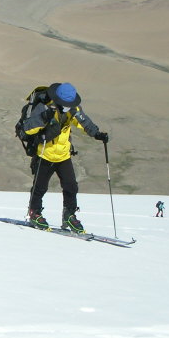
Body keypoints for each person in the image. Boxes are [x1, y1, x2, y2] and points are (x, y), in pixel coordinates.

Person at [22, 82, 108, 233]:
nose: (68, 107)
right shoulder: (43, 107)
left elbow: (83, 121)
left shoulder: (72, 109)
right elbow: (28, 129)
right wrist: (43, 118)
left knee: (71, 186)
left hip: (63, 155)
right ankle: (34, 213)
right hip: (45, 155)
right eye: (65, 104)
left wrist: (97, 134)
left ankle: (69, 214)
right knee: (40, 188)